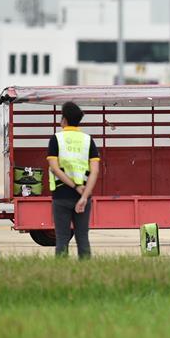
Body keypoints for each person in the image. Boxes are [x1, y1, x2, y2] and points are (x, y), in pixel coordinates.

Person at [46, 101, 100, 259]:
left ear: (64, 119)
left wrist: (75, 186)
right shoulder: (88, 140)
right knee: (83, 238)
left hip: (61, 196)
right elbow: (94, 171)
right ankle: (86, 274)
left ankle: (62, 275)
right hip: (83, 196)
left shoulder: (56, 139)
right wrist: (84, 196)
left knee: (62, 239)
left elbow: (55, 168)